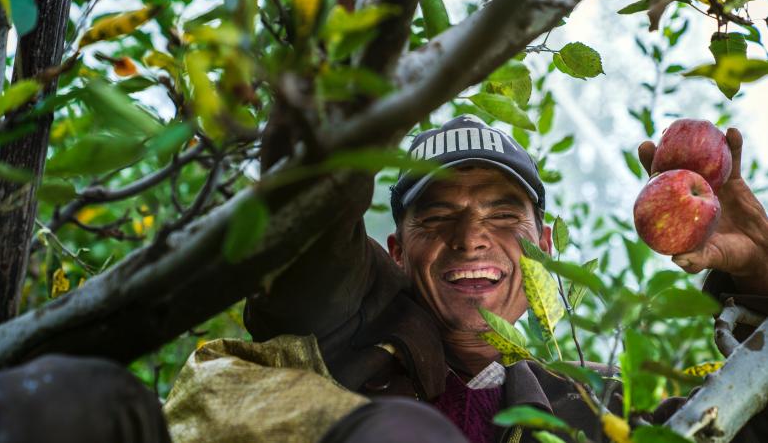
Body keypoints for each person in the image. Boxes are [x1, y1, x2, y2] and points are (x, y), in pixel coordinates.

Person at [238, 115, 768, 442]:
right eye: (439, 216)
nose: (470, 238)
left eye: (503, 214)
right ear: (396, 253)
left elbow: (747, 419)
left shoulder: (602, 407)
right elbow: (309, 224)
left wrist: (763, 274)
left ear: (545, 249)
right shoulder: (342, 337)